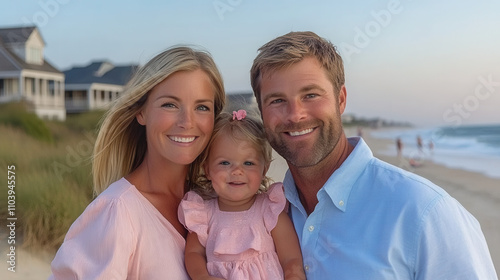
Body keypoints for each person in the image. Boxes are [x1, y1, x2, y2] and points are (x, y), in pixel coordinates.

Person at [250, 31, 497, 279]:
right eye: (277, 100)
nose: (295, 114)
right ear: (261, 112)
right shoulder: (264, 212)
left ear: (341, 99)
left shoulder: (424, 211)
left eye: (310, 95)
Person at [49, 46, 226, 279]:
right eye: (170, 104)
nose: (187, 121)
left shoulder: (216, 202)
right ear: (141, 112)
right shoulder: (119, 212)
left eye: (202, 107)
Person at [178, 110, 306, 280]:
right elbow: (194, 253)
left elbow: (291, 258)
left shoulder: (269, 210)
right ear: (207, 170)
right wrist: (202, 276)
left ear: (264, 169)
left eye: (248, 163)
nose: (237, 171)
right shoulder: (203, 215)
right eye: (225, 163)